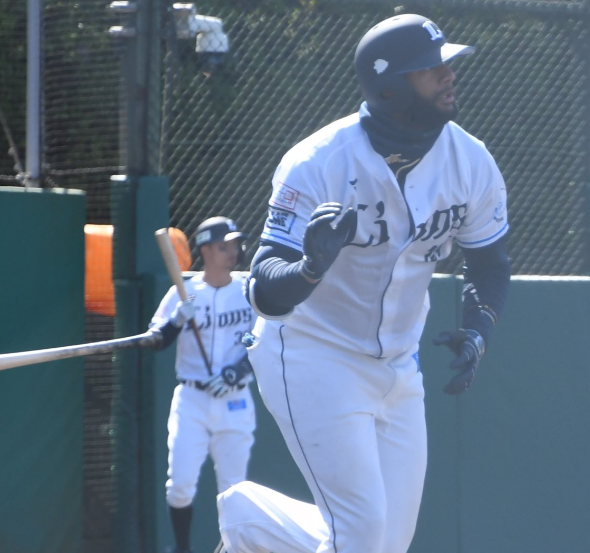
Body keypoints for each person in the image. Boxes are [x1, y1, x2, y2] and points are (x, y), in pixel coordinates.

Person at [214, 13, 510, 553]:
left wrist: (478, 329)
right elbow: (263, 291)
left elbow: (489, 264)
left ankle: (250, 522)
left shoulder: (470, 161)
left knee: (383, 544)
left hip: (399, 364)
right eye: (430, 69)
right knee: (363, 537)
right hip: (312, 354)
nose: (448, 74)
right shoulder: (317, 162)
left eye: (446, 64)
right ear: (390, 86)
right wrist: (309, 268)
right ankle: (248, 524)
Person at [149, 217, 257, 553]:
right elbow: (156, 341)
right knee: (180, 486)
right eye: (225, 246)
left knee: (234, 491)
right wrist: (176, 320)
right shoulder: (183, 292)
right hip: (192, 399)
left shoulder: (247, 291)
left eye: (236, 245)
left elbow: (262, 343)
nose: (233, 252)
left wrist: (235, 372)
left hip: (235, 399)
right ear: (206, 250)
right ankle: (182, 549)